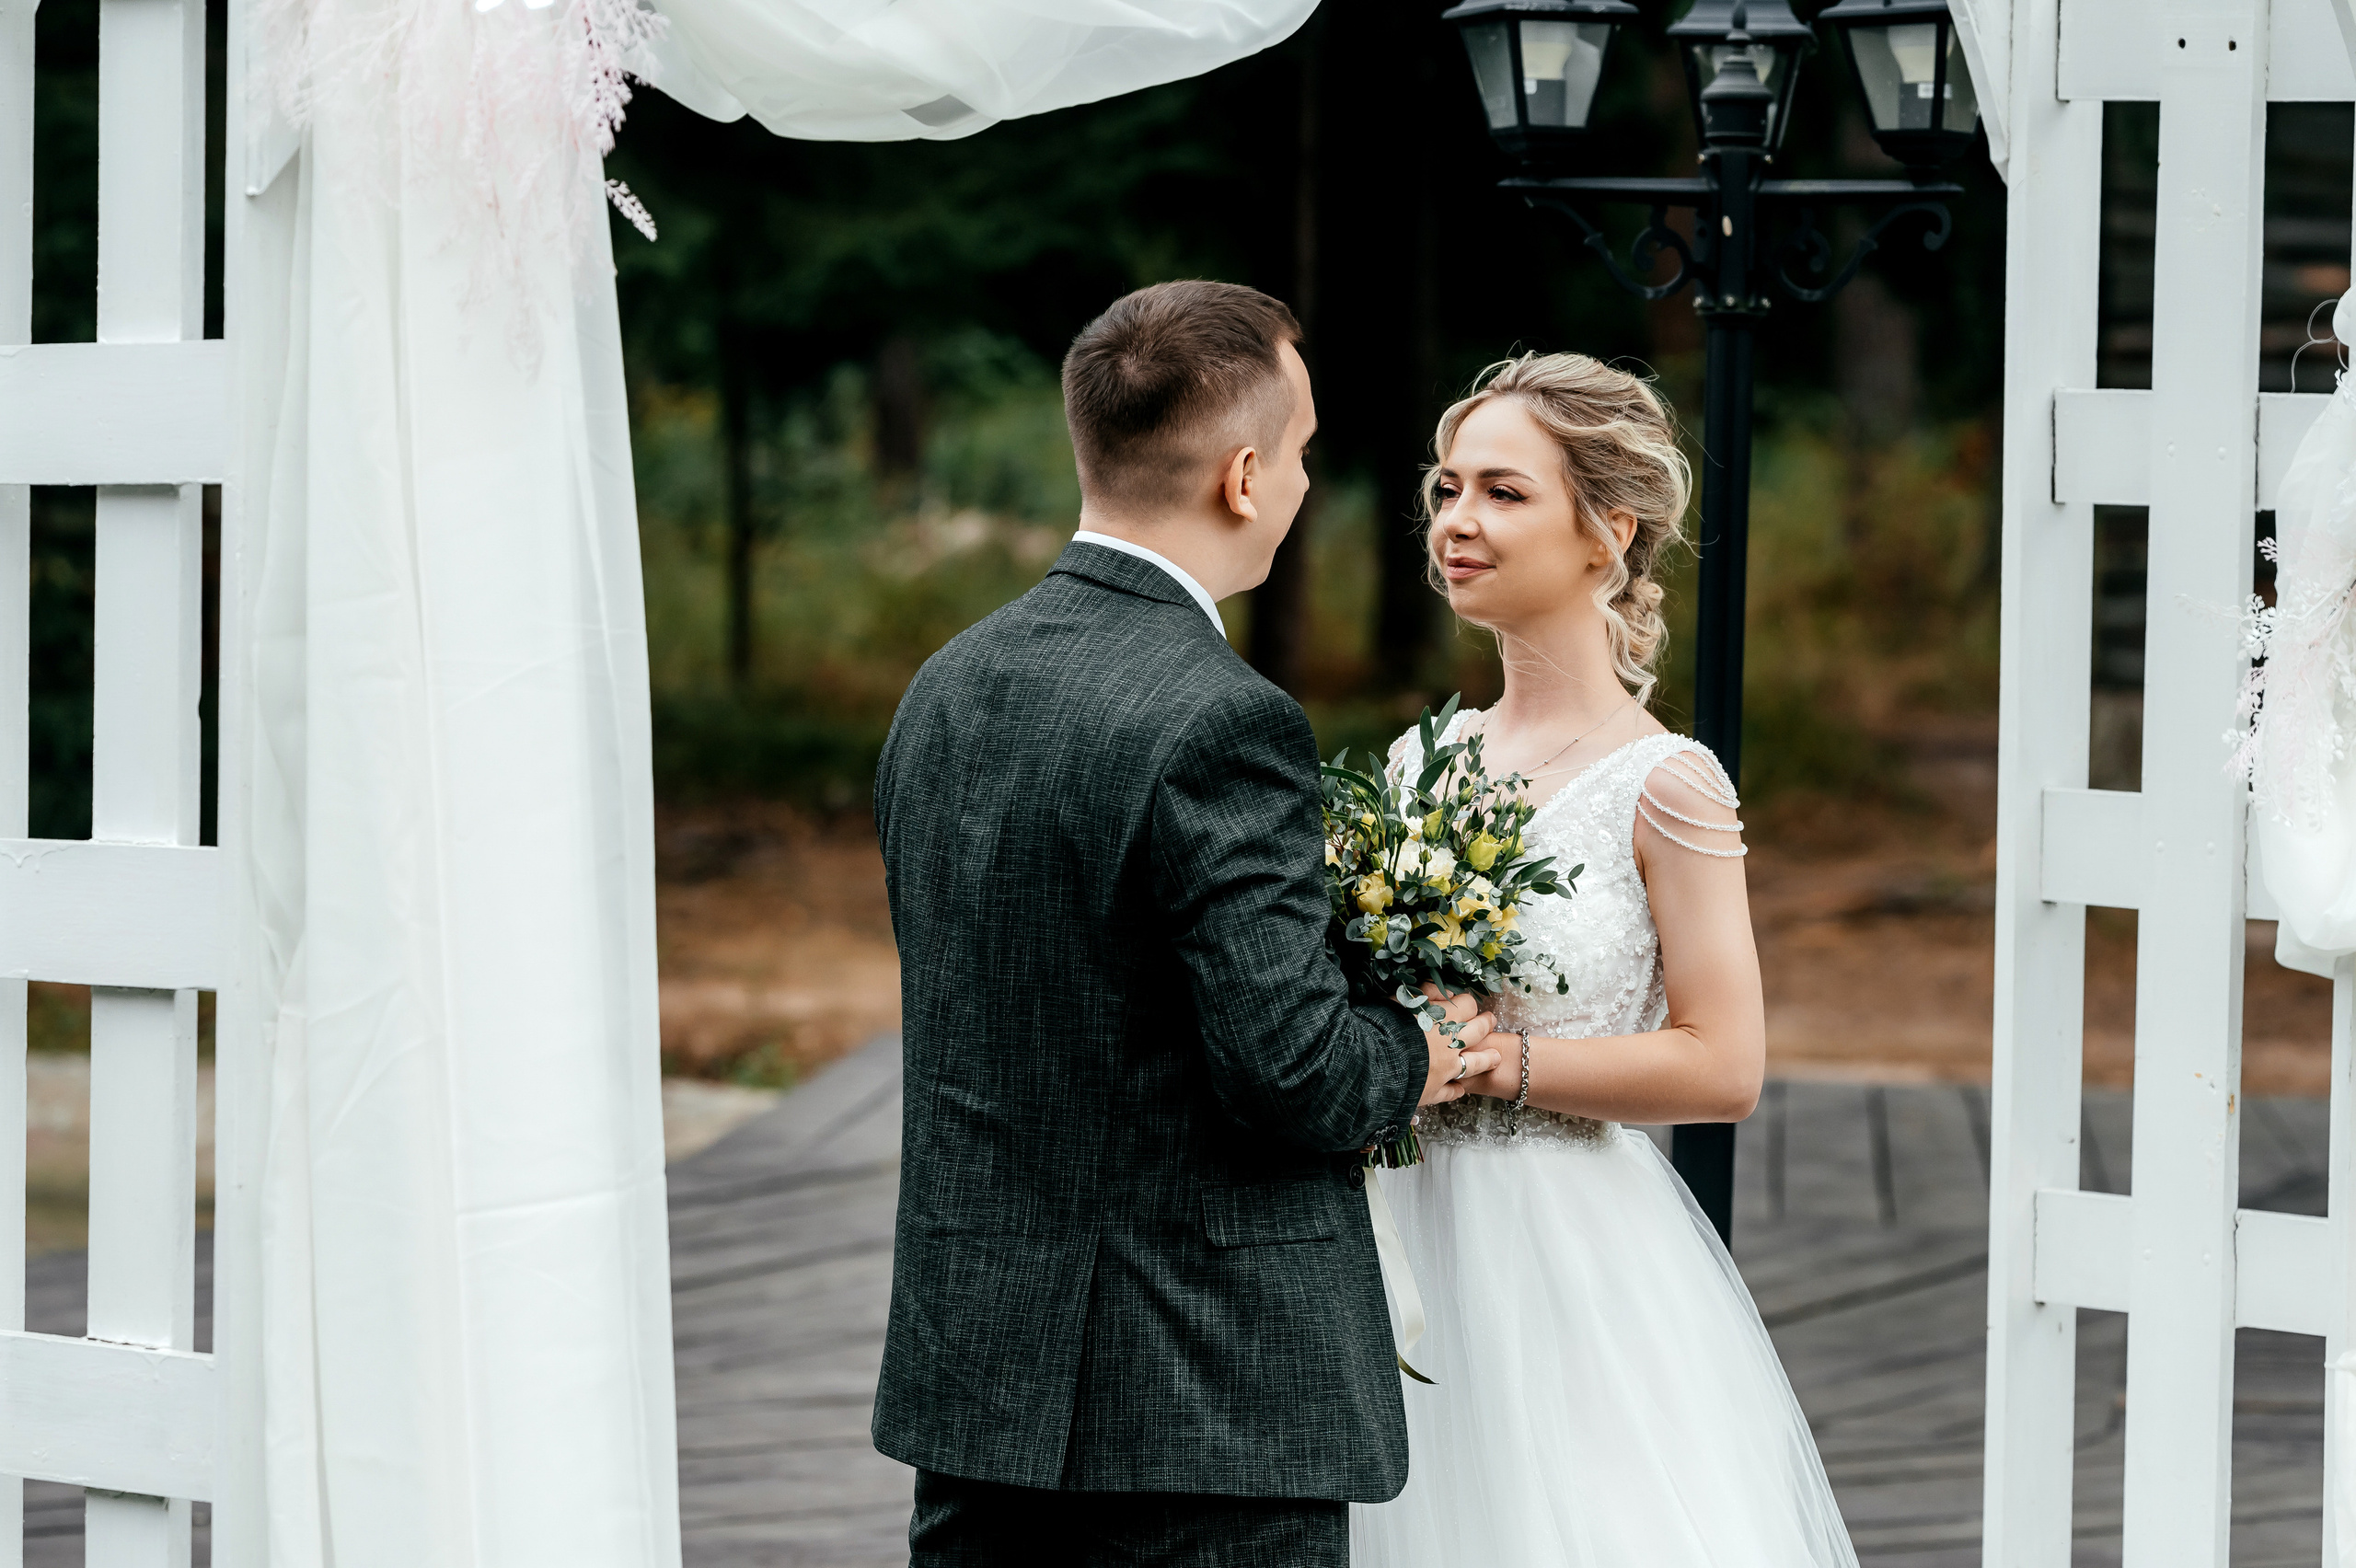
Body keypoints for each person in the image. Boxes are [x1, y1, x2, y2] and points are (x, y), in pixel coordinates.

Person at [869, 280, 1502, 1567]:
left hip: (979, 1384)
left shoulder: (945, 687)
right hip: (1194, 1411)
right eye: (1310, 455)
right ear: (1246, 475)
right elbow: (1295, 1073)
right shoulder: (1225, 720)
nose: (1310, 484)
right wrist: (1423, 1050)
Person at [1349, 353, 1860, 1567]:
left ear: (1607, 532)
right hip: (1399, 1236)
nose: (1456, 522)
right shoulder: (1427, 760)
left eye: (1503, 492)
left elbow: (1723, 1065)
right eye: (1445, 487)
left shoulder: (1666, 783)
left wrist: (1504, 1064)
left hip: (1563, 1253)